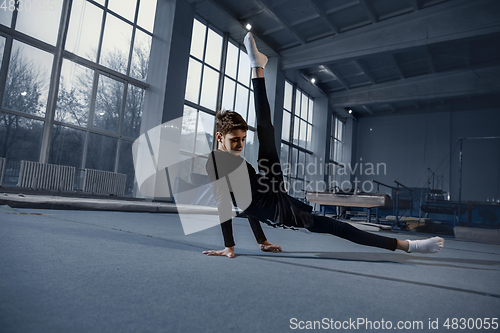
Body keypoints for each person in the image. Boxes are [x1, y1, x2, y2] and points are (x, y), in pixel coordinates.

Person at [203, 32, 444, 258]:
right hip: (276, 202)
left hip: (273, 195)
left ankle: (257, 66)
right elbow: (231, 203)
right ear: (218, 137)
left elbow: (243, 203)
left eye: (243, 139)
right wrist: (236, 244)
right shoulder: (216, 163)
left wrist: (252, 242)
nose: (240, 144)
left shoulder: (230, 159)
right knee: (336, 226)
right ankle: (257, 68)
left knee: (266, 131)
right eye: (235, 140)